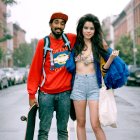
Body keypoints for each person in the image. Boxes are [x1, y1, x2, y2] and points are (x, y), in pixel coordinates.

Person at [70, 14, 121, 140]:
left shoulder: (99, 45)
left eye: (91, 28)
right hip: (78, 86)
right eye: (86, 28)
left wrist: (111, 57)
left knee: (95, 124)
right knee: (80, 123)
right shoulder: (74, 45)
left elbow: (105, 69)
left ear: (95, 30)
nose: (88, 31)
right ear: (81, 29)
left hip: (94, 86)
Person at [27, 12, 76, 140]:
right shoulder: (43, 43)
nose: (59, 26)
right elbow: (35, 70)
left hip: (65, 93)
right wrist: (31, 94)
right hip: (46, 94)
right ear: (50, 24)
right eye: (56, 22)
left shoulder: (70, 39)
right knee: (43, 131)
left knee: (63, 131)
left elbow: (88, 36)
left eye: (62, 23)